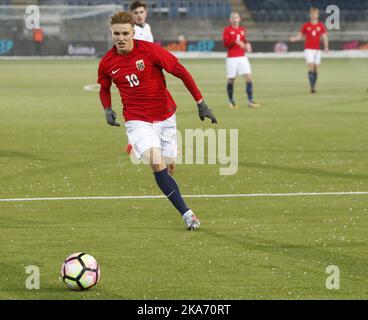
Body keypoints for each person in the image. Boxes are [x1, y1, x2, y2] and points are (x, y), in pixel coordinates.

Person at [97, 11, 217, 231]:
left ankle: (168, 166)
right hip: (136, 120)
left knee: (169, 162)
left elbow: (181, 72)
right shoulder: (107, 62)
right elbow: (104, 88)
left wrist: (201, 102)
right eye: (116, 33)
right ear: (111, 33)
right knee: (155, 161)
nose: (121, 38)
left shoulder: (150, 51)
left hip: (165, 117)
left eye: (125, 33)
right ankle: (188, 214)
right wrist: (107, 108)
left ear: (133, 32)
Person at [223, 11, 260, 109]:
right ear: (230, 20)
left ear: (239, 19)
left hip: (242, 57)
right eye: (233, 18)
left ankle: (250, 101)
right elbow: (226, 44)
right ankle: (231, 101)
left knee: (248, 78)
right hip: (232, 58)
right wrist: (235, 42)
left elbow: (244, 41)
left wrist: (247, 44)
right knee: (231, 79)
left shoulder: (242, 30)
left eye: (236, 17)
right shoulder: (227, 30)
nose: (235, 19)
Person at [289, 7, 329, 93]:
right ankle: (312, 87)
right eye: (312, 14)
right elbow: (300, 36)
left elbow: (325, 37)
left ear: (317, 15)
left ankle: (313, 85)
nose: (313, 15)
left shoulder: (320, 26)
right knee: (311, 66)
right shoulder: (306, 26)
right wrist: (294, 39)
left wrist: (326, 47)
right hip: (308, 50)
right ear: (310, 15)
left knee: (315, 68)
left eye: (315, 14)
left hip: (317, 50)